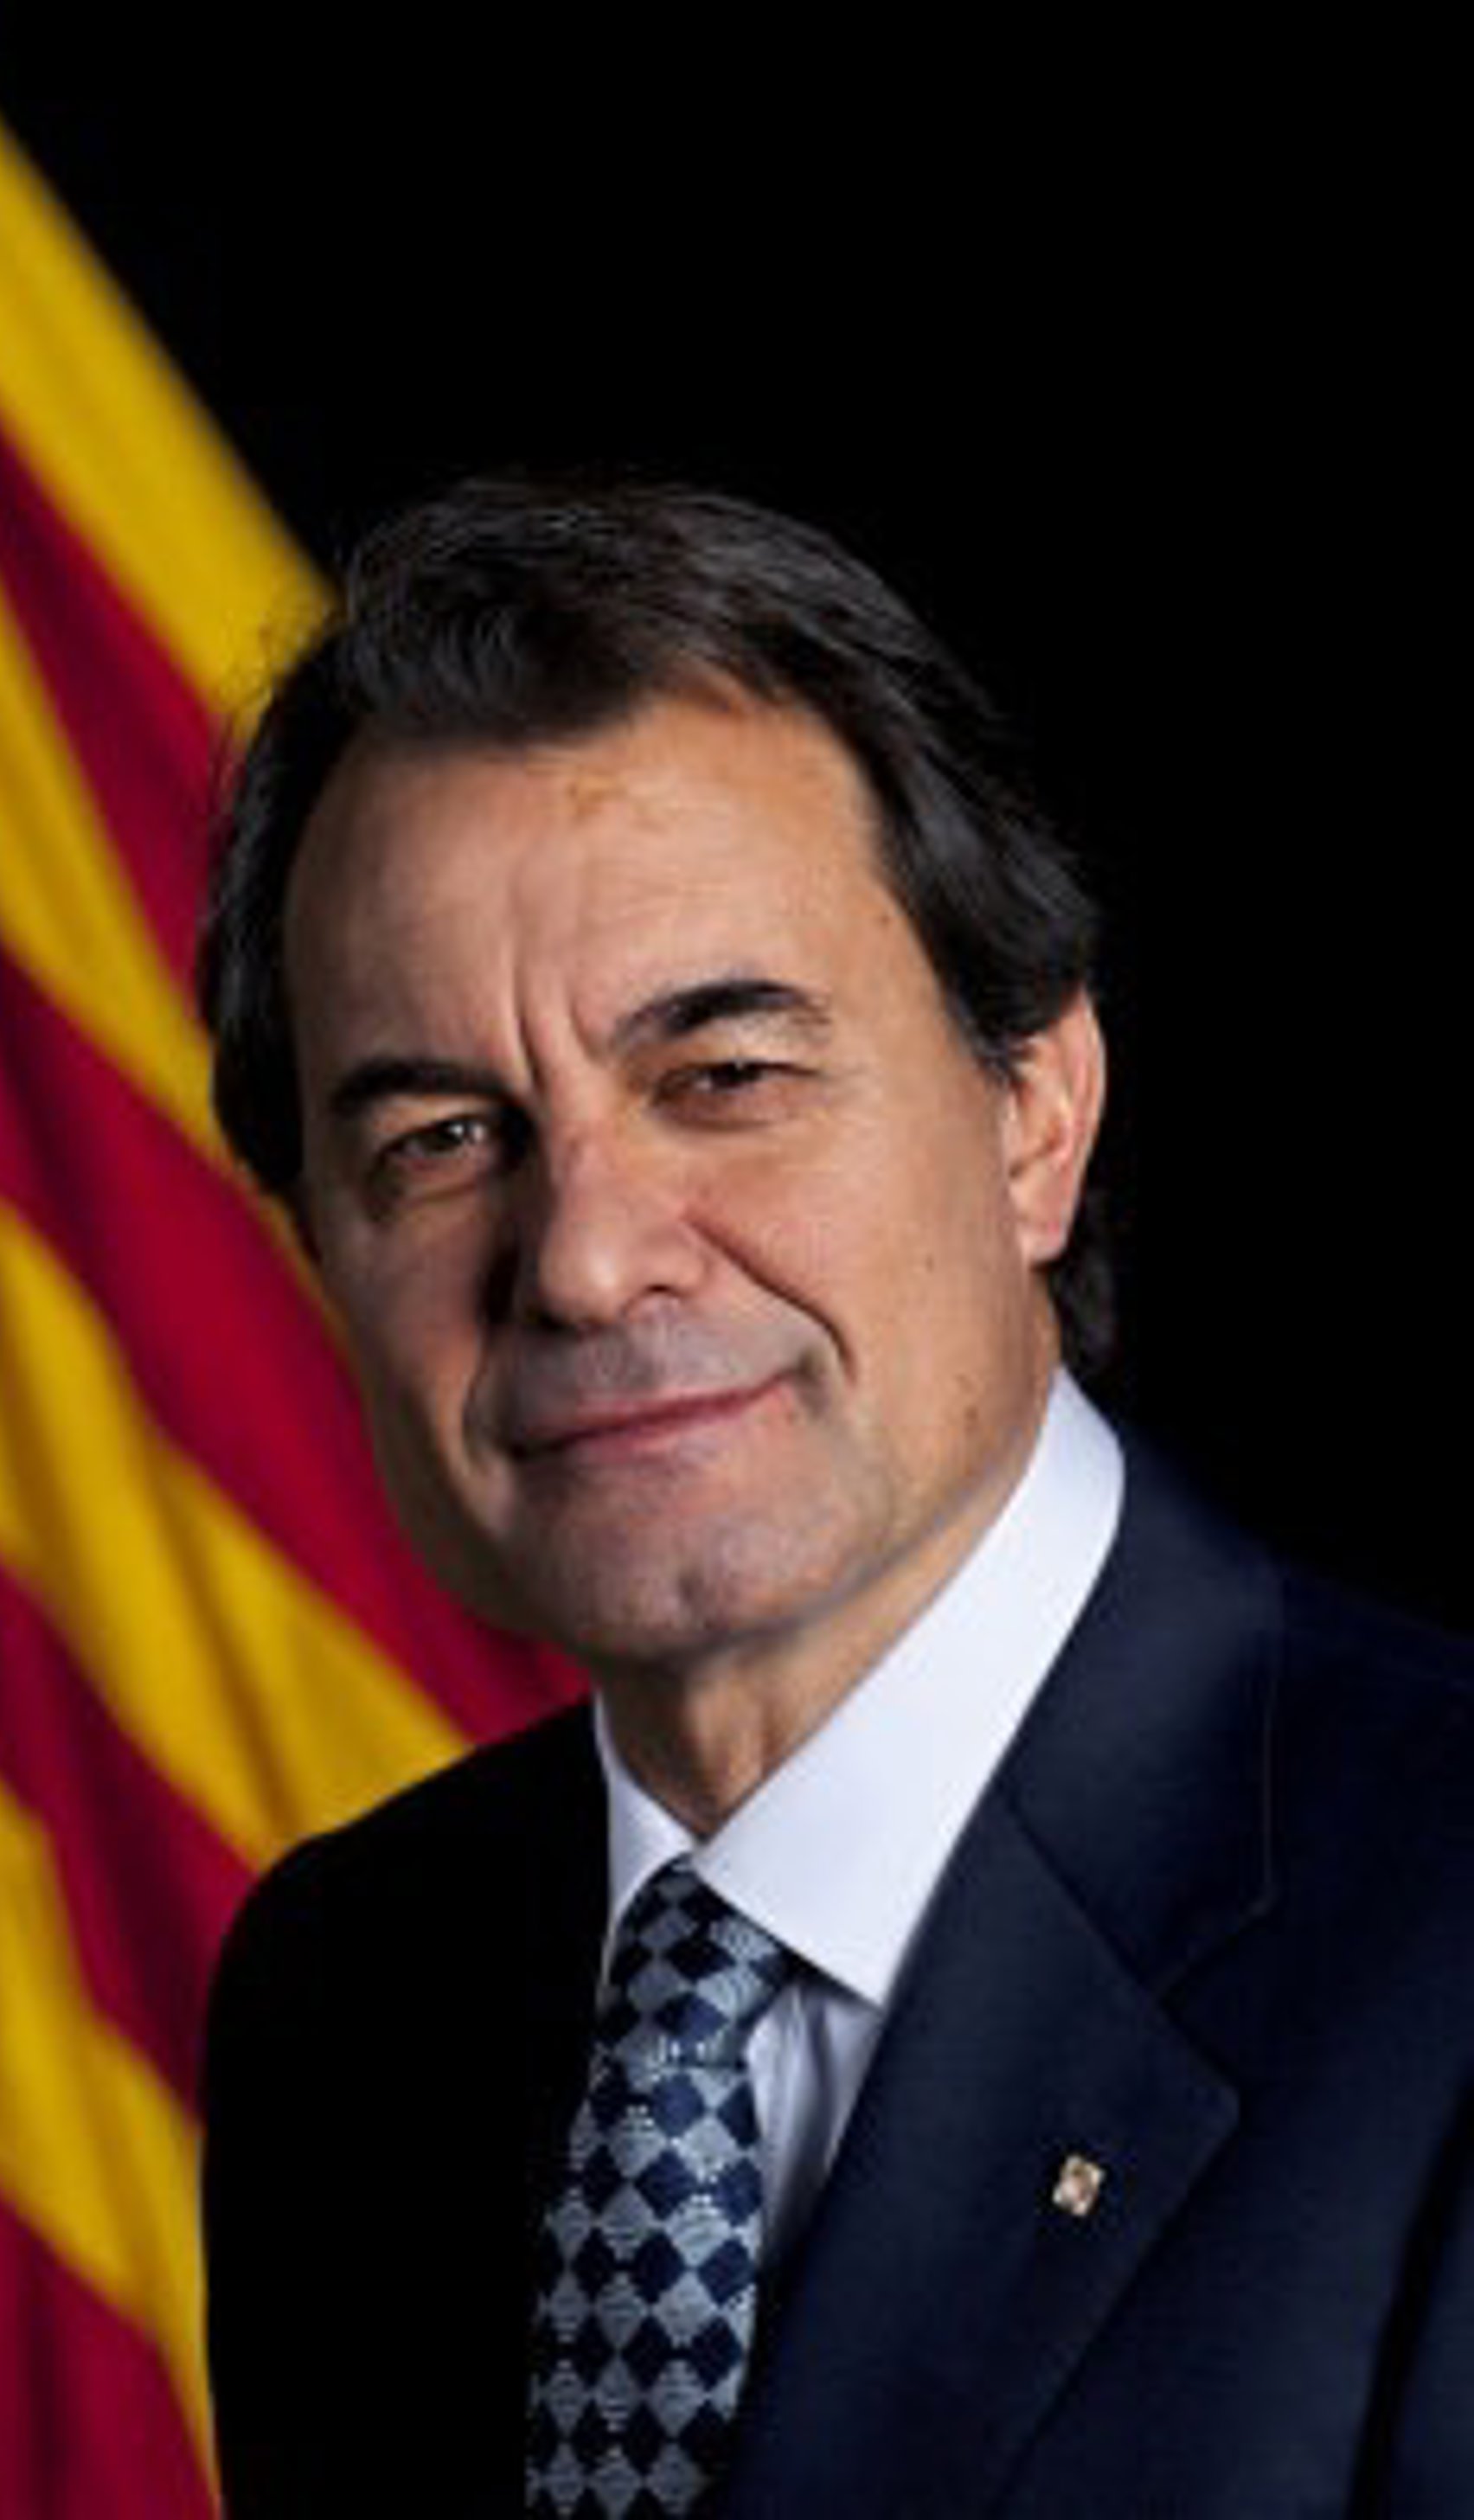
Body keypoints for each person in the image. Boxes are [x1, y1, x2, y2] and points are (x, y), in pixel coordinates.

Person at [196, 476, 1471, 2518]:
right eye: (442, 1136)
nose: (585, 1257)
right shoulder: (348, 2005)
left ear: (1035, 1112)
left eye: (724, 1076)